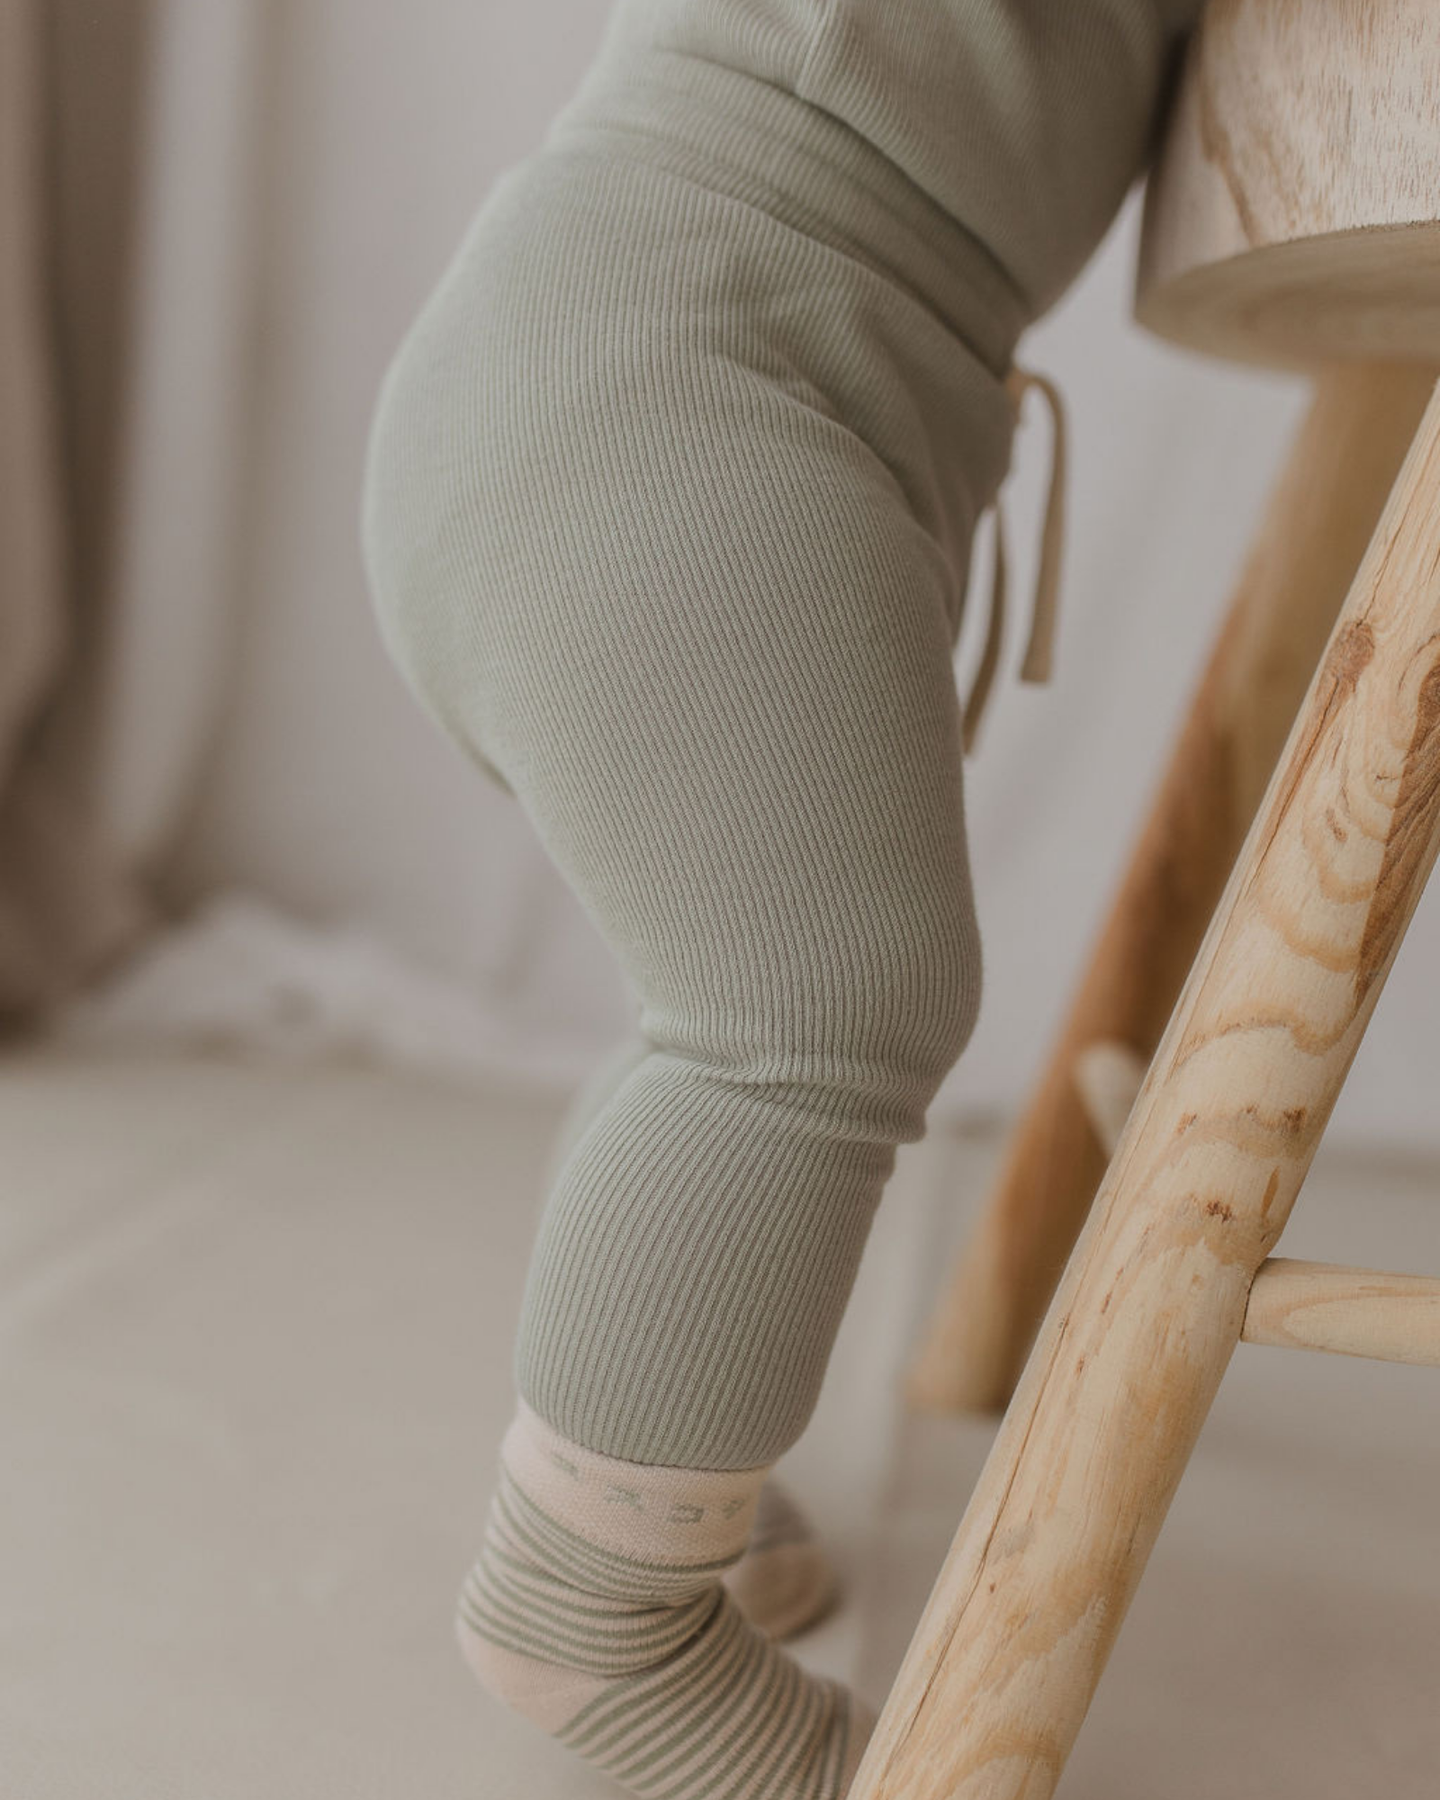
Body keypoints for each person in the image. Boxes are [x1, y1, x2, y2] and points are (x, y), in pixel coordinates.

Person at [359, 2, 1202, 1793]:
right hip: (679, 354)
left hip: (676, 344)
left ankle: (647, 1477)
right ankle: (594, 1611)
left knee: (731, 994)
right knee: (814, 1006)